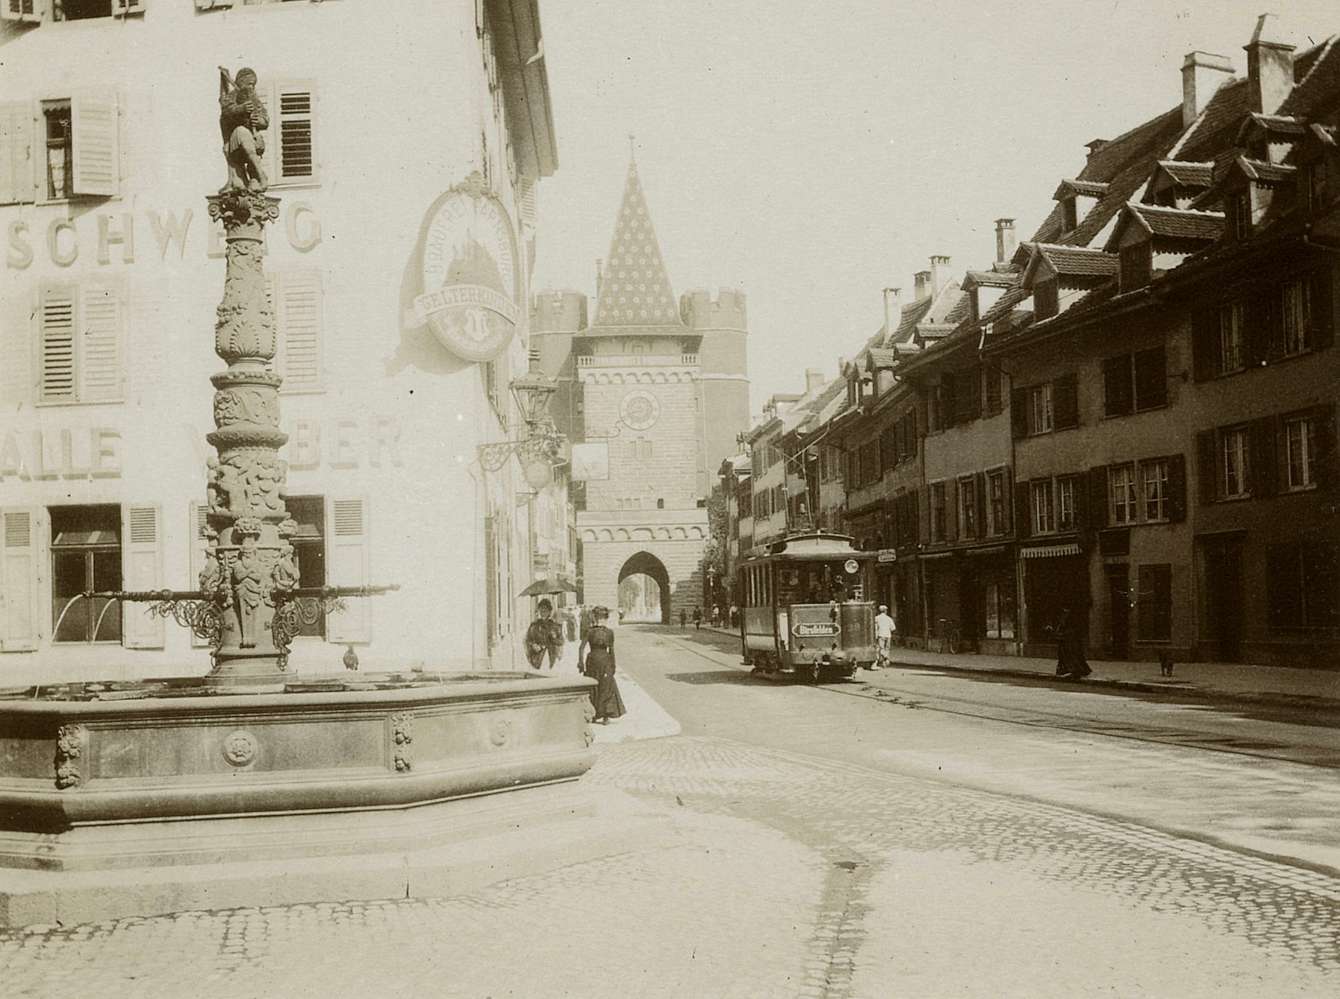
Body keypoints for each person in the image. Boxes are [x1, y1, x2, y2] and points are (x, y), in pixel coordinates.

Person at [579, 606, 626, 724]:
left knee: (606, 686)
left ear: (606, 619)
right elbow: (581, 647)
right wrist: (580, 663)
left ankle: (606, 715)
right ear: (595, 618)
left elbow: (612, 649)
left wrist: (613, 665)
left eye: (603, 618)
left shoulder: (610, 632)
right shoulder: (589, 631)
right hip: (592, 662)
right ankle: (594, 714)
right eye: (598, 618)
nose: (601, 620)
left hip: (606, 662)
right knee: (593, 686)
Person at [1051, 606, 1092, 680]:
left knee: (1073, 656)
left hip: (1070, 641)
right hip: (1067, 641)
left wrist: (1062, 634)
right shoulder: (1065, 620)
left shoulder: (1071, 620)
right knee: (1068, 656)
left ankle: (1075, 671)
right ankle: (1070, 670)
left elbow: (1071, 631)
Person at [525, 599, 563, 670]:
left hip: (551, 656)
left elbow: (561, 641)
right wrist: (533, 645)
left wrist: (554, 638)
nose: (543, 613)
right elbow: (528, 640)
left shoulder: (555, 626)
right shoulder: (534, 626)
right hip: (537, 657)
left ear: (549, 612)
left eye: (545, 611)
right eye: (541, 610)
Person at [873, 604, 895, 670]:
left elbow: (875, 627)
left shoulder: (876, 618)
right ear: (885, 611)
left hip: (880, 634)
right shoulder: (889, 618)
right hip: (888, 635)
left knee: (881, 648)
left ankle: (883, 659)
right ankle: (886, 659)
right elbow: (893, 628)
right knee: (887, 648)